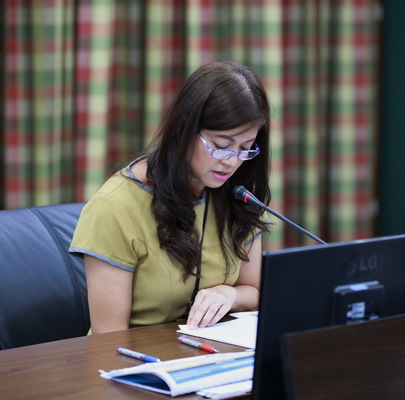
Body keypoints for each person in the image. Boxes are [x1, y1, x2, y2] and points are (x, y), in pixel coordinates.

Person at [69, 60, 272, 335]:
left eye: (245, 148)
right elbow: (108, 338)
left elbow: (256, 291)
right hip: (138, 357)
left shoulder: (238, 193)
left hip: (212, 352)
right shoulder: (115, 207)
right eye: (221, 146)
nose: (232, 161)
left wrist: (230, 295)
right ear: (183, 130)